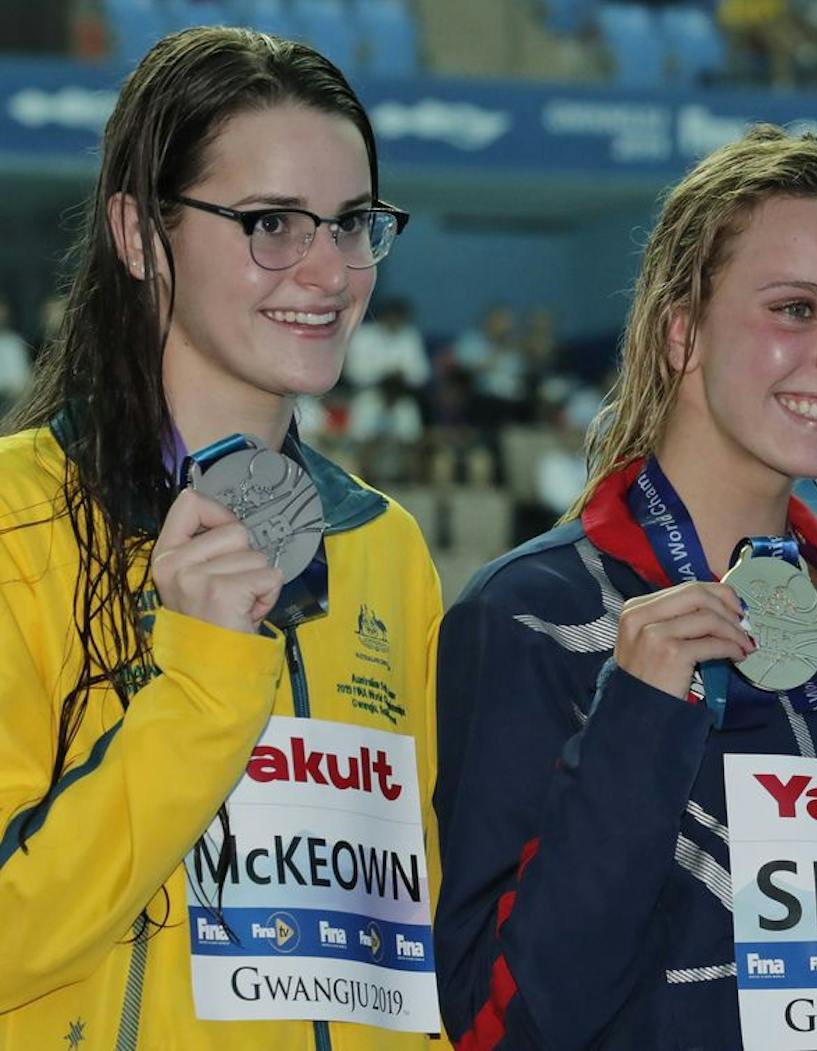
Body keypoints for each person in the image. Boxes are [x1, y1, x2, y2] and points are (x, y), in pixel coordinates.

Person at [434, 125, 817, 1050]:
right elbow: (506, 1028)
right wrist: (637, 726)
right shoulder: (536, 616)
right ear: (682, 330)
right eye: (795, 309)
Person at [0, 27, 444, 1049]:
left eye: (351, 223)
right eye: (272, 223)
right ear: (140, 233)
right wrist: (200, 685)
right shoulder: (18, 518)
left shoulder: (385, 546)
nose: (330, 272)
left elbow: (402, 939)